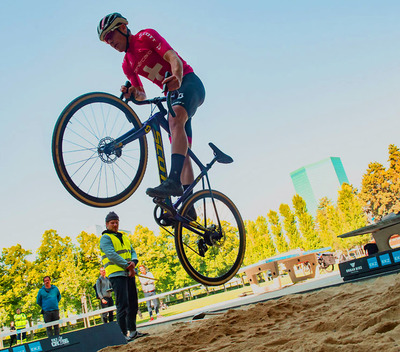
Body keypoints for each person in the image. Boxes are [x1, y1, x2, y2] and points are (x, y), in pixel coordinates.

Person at [97, 13, 206, 200]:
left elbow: (173, 57)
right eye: (105, 41)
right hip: (173, 96)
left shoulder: (145, 36)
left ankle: (173, 181)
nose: (109, 42)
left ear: (123, 28)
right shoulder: (127, 64)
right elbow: (142, 96)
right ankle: (189, 206)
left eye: (110, 36)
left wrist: (178, 76)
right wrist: (132, 94)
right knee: (181, 150)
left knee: (174, 120)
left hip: (188, 83)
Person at [100, 211, 148, 342]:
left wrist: (134, 262)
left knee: (133, 303)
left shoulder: (124, 237)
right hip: (117, 274)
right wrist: (128, 266)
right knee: (122, 304)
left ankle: (133, 331)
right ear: (107, 224)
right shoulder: (105, 238)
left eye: (116, 222)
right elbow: (111, 254)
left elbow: (132, 251)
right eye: (112, 223)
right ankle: (122, 334)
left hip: (129, 273)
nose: (115, 225)